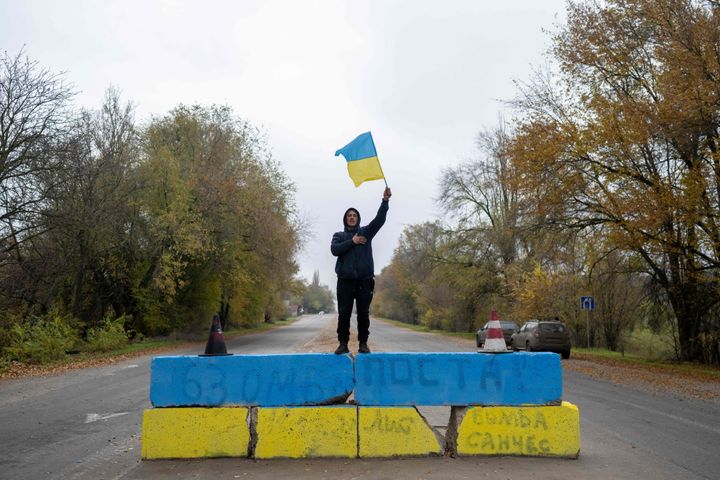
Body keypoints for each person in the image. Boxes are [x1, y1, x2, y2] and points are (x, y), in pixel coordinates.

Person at [331, 187, 392, 354]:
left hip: (364, 280)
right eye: (349, 215)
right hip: (345, 281)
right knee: (344, 314)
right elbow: (334, 250)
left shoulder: (366, 232)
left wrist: (385, 202)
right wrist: (352, 241)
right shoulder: (339, 236)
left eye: (354, 215)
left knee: (363, 314)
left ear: (358, 219)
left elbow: (379, 220)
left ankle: (363, 343)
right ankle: (343, 343)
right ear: (345, 219)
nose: (352, 217)